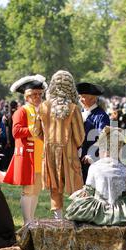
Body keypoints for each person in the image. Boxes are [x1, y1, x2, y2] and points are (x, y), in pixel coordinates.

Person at [65, 127, 126, 249]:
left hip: (100, 210)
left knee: (78, 205)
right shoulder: (125, 169)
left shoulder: (95, 167)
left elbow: (89, 190)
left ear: (103, 149)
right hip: (121, 211)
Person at [33, 70, 85, 219]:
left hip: (49, 151)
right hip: (69, 153)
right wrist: (71, 144)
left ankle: (58, 219)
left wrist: (49, 141)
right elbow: (80, 136)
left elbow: (36, 131)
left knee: (55, 187)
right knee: (75, 184)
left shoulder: (43, 107)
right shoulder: (73, 108)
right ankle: (77, 218)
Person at [3, 75, 47, 225]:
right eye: (34, 94)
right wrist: (31, 129)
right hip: (28, 156)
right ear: (27, 96)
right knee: (28, 190)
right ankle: (27, 221)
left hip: (40, 155)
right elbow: (16, 132)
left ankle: (32, 219)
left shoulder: (42, 110)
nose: (38, 97)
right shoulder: (21, 111)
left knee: (36, 190)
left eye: (40, 94)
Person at [77, 82, 110, 183]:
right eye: (80, 96)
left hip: (92, 158)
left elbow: (103, 137)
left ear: (93, 99)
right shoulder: (80, 113)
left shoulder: (101, 116)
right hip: (80, 157)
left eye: (84, 97)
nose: (81, 99)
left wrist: (92, 154)